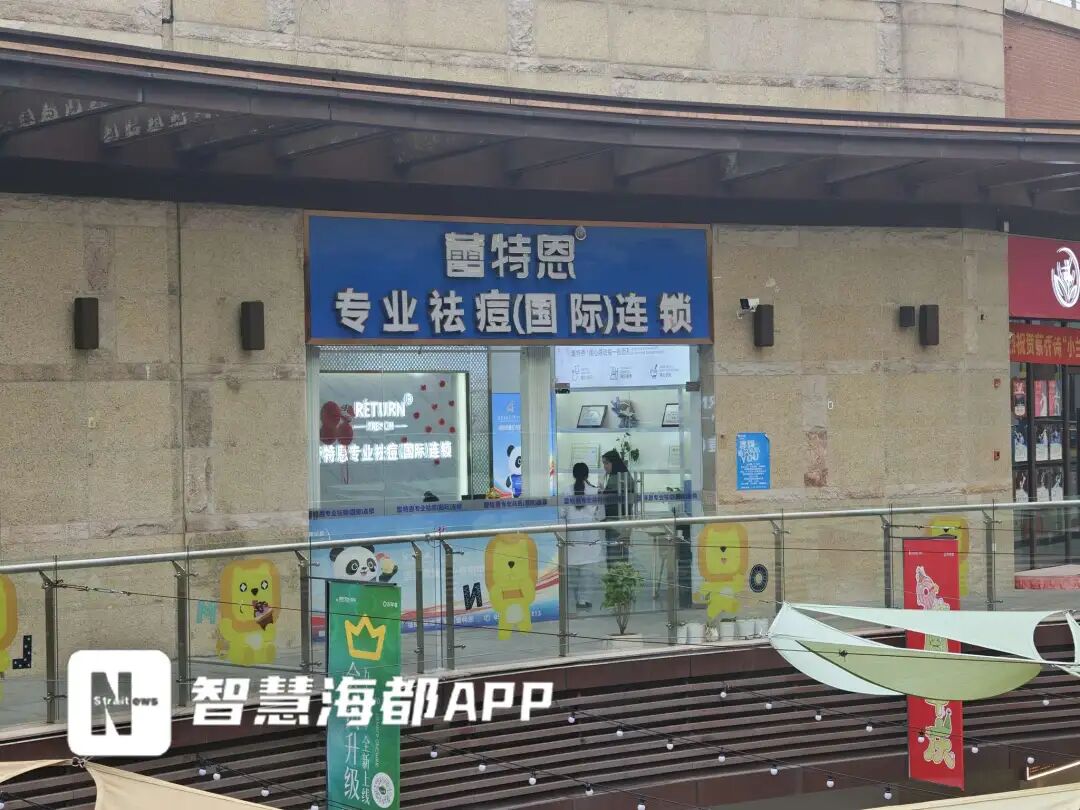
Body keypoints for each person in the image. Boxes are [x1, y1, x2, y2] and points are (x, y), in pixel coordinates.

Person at [559, 462, 604, 612]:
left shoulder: (566, 491)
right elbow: (601, 515)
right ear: (587, 475)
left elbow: (561, 514)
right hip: (590, 537)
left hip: (572, 536)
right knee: (587, 572)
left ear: (573, 475)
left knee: (573, 572)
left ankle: (572, 600)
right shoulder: (595, 491)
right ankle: (583, 600)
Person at [601, 449, 635, 565]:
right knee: (621, 557)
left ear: (614, 463)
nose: (605, 466)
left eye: (606, 463)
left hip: (616, 523)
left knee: (615, 559)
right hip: (621, 523)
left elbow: (610, 500)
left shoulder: (618, 478)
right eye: (604, 463)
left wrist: (601, 492)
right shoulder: (621, 475)